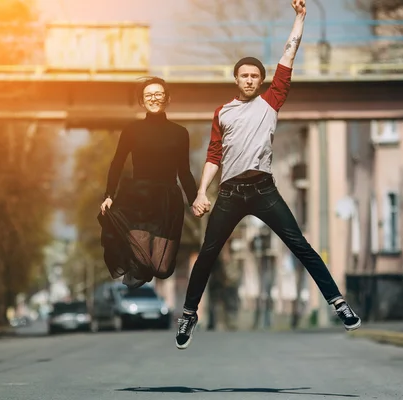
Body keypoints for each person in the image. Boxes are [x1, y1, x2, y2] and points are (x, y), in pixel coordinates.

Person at [175, 0, 361, 350]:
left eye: (254, 76)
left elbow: (288, 57)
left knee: (300, 246)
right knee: (207, 255)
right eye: (244, 75)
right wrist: (202, 193)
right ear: (236, 79)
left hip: (263, 189)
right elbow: (214, 155)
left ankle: (338, 303)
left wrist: (300, 18)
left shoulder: (272, 100)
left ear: (261, 81)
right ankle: (188, 314)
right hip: (229, 193)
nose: (249, 80)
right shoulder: (223, 113)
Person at [97, 76, 198, 290]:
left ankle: (142, 265)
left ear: (167, 99)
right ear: (142, 102)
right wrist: (109, 195)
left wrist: (194, 200)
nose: (154, 98)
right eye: (149, 95)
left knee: (161, 269)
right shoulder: (132, 130)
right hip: (138, 200)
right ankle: (132, 257)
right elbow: (117, 163)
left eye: (159, 94)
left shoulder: (180, 133)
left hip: (167, 202)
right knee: (142, 261)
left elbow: (185, 172)